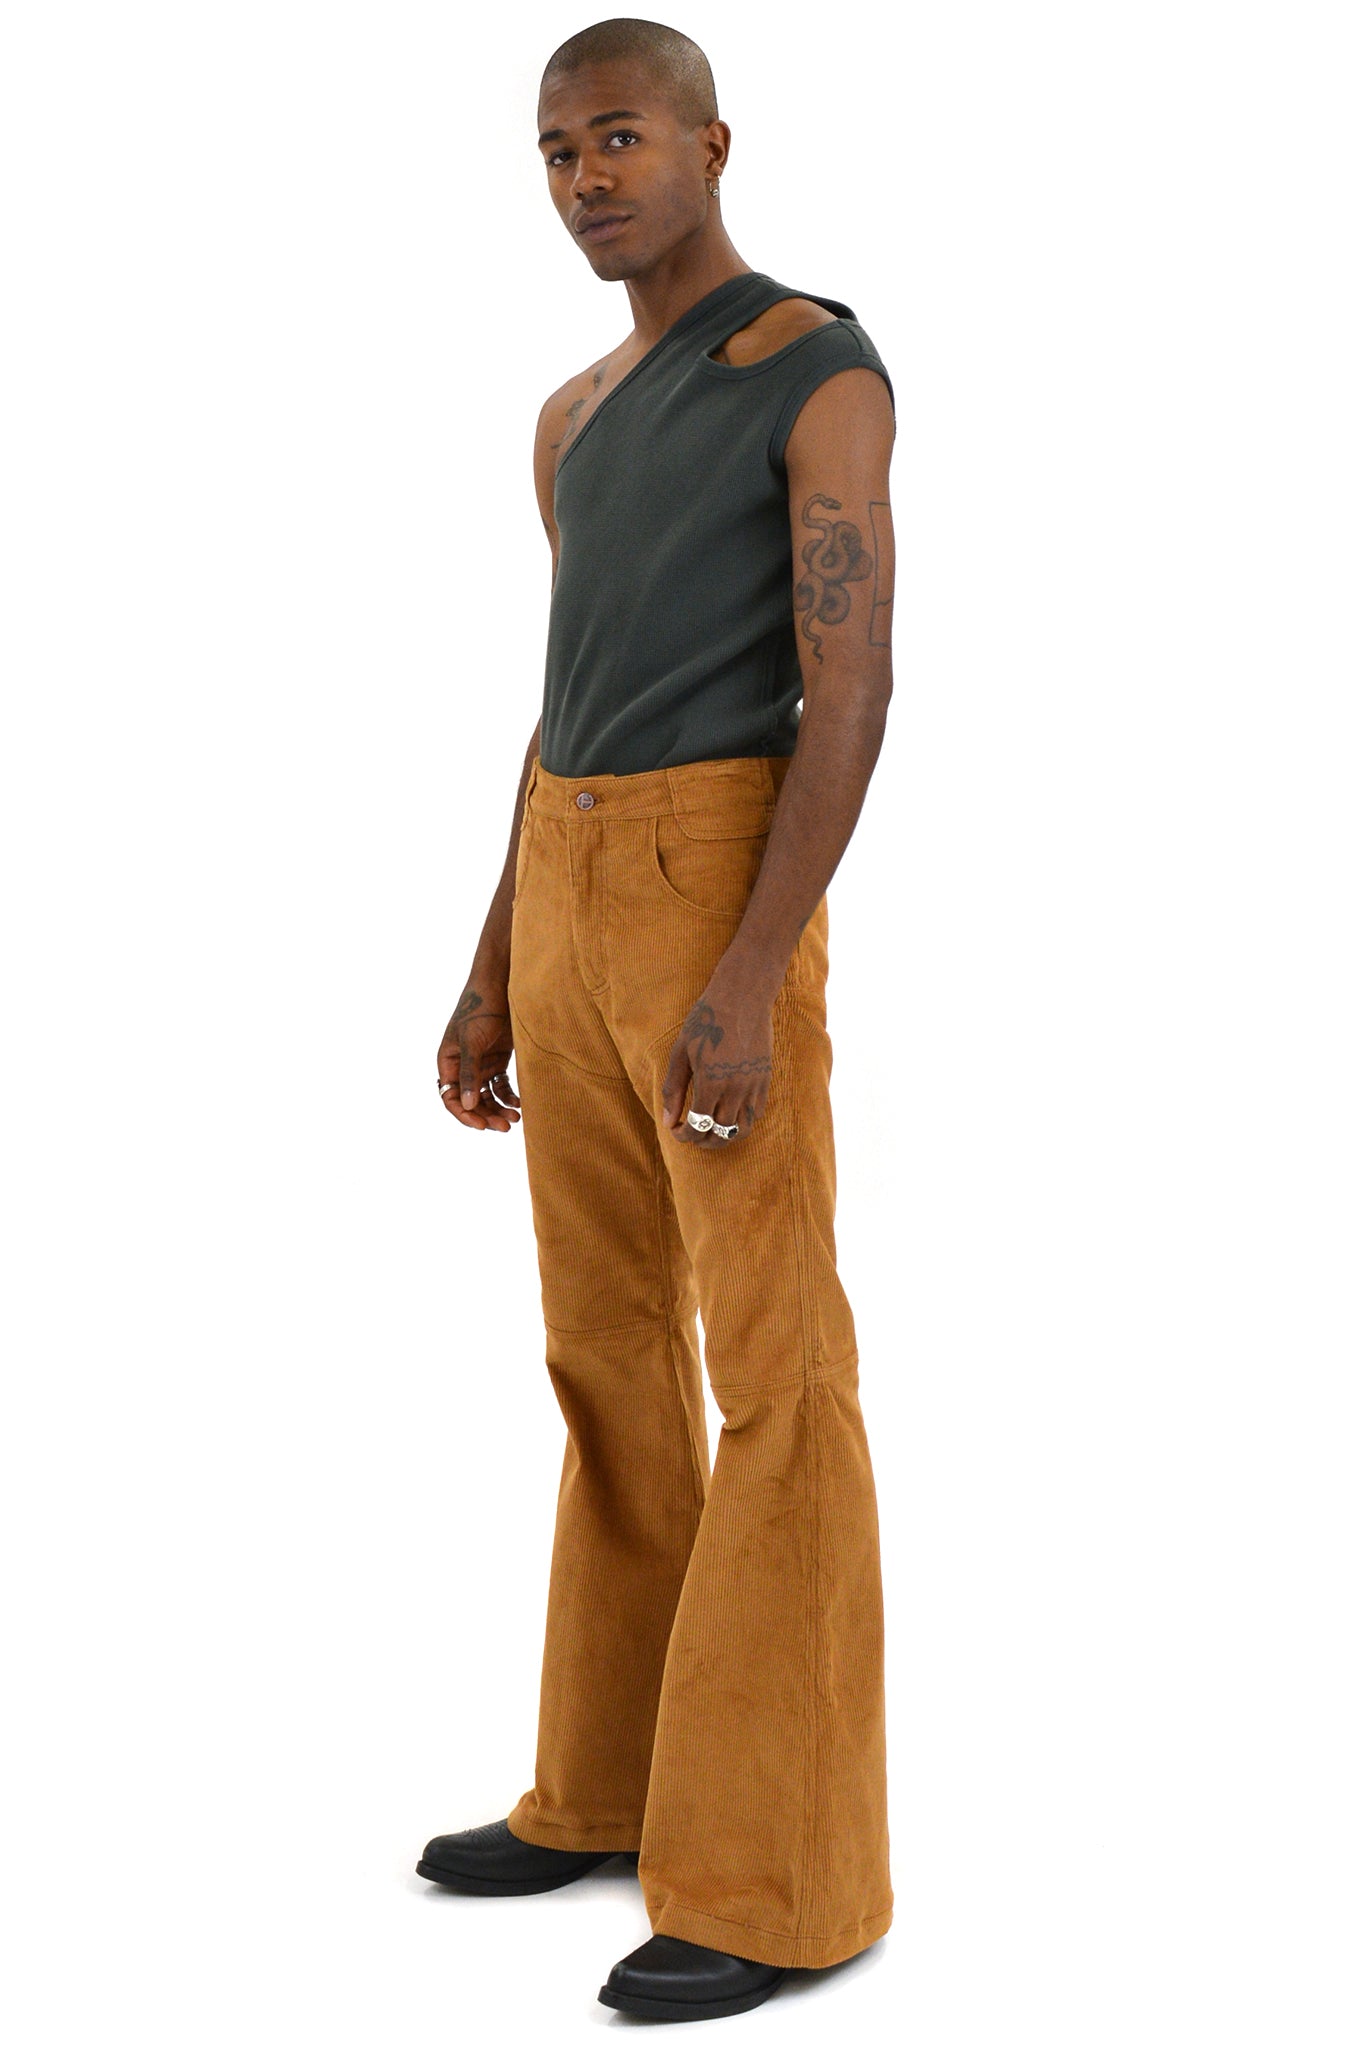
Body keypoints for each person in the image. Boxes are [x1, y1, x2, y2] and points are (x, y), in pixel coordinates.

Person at [418, 17, 897, 2024]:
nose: (584, 179)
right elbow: (565, 696)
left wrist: (749, 969)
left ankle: (783, 1882)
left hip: (717, 883)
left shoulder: (812, 364)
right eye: (554, 152)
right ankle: (604, 1786)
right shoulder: (569, 417)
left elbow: (848, 680)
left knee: (771, 1367)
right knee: (603, 1349)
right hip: (569, 870)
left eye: (615, 137)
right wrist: (489, 956)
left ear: (708, 141)